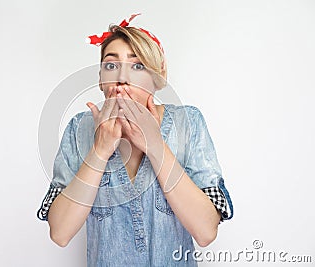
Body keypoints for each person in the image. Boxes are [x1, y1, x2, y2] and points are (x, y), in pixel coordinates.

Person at [37, 14, 233, 266]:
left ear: (157, 78)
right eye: (111, 65)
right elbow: (60, 233)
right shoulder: (79, 129)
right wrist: (100, 150)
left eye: (137, 65)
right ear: (100, 80)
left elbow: (206, 233)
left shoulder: (188, 123)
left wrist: (155, 146)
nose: (122, 77)